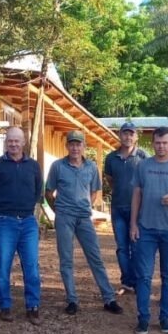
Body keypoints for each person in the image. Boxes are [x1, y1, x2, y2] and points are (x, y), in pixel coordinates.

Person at [45, 131, 124, 316]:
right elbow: (49, 192)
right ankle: (72, 299)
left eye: (78, 144)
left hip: (84, 218)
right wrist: (59, 211)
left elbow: (95, 191)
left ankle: (109, 298)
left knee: (95, 257)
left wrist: (86, 205)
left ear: (84, 147)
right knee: (66, 259)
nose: (75, 148)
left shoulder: (91, 167)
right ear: (67, 146)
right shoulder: (58, 166)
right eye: (72, 144)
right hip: (64, 217)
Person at [130, 127, 168, 334]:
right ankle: (143, 319)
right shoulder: (143, 166)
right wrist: (133, 224)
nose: (161, 146)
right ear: (152, 143)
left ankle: (166, 318)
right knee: (143, 276)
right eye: (157, 143)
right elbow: (136, 195)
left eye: (165, 143)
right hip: (146, 228)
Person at [0, 127, 43, 325]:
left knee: (31, 266)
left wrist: (28, 209)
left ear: (23, 142)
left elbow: (38, 190)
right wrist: (1, 209)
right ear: (6, 142)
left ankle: (33, 306)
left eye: (17, 140)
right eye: (10, 140)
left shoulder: (33, 166)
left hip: (28, 222)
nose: (13, 144)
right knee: (3, 266)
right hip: (4, 221)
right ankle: (4, 305)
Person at [104, 121, 147, 296]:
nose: (128, 137)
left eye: (131, 134)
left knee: (136, 247)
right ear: (119, 135)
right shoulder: (111, 158)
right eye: (125, 133)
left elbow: (147, 180)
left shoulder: (143, 157)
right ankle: (127, 281)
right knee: (122, 247)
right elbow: (110, 180)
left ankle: (136, 281)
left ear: (136, 137)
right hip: (118, 209)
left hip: (138, 209)